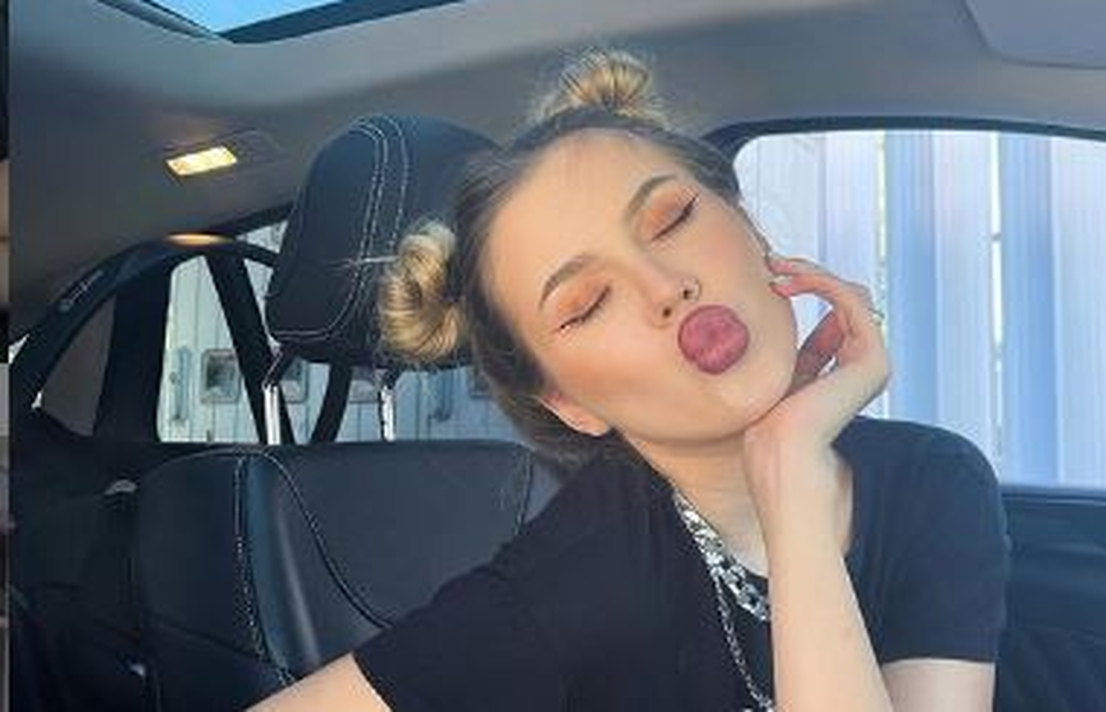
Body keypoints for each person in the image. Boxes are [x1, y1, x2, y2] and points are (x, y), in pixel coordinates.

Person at [253, 48, 1009, 711]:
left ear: (748, 225)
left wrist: (791, 467)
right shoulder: (571, 577)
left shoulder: (932, 480)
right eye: (586, 304)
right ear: (568, 402)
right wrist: (788, 479)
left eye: (672, 219)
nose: (663, 285)